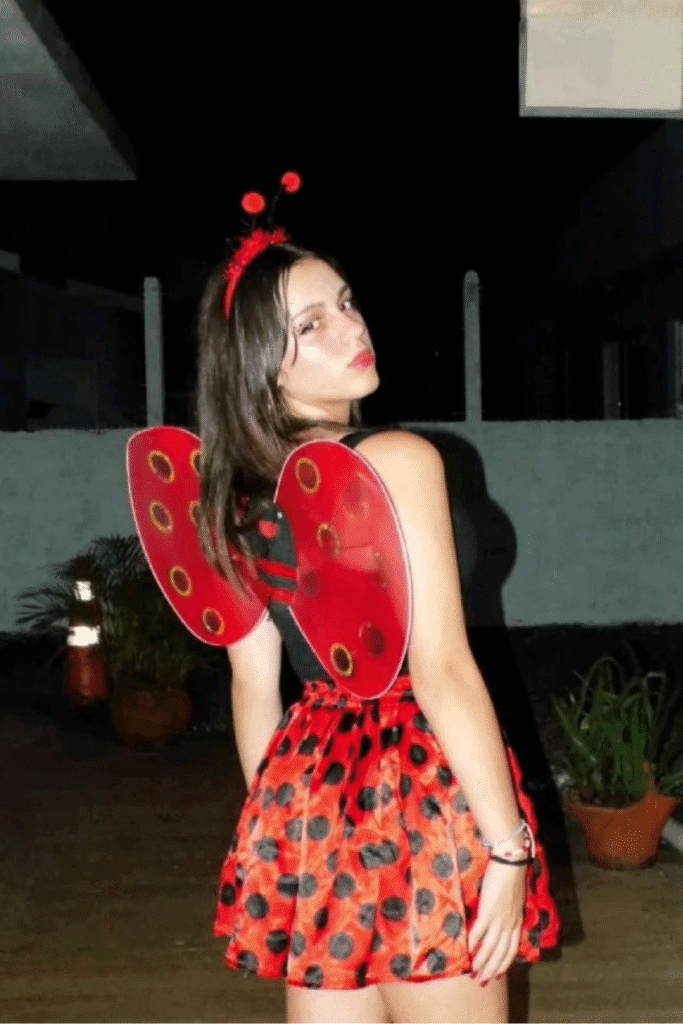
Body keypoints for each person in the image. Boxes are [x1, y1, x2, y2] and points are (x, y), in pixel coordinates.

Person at [194, 181, 560, 1024]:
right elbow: (439, 671)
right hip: (418, 782)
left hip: (309, 791)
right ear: (262, 362)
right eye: (310, 325)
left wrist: (285, 837)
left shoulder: (235, 489)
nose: (352, 327)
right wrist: (509, 849)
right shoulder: (393, 458)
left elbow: (256, 687)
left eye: (346, 303)